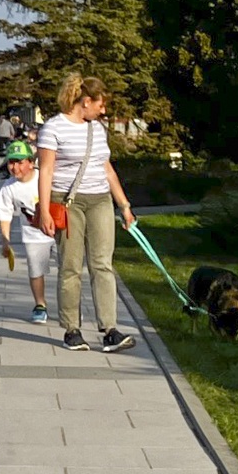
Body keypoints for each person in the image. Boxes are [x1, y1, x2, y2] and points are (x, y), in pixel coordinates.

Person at [37, 74, 139, 353]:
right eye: (100, 105)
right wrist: (45, 211)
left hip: (100, 201)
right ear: (85, 102)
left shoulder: (97, 129)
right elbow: (46, 171)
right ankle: (72, 329)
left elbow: (107, 169)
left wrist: (124, 205)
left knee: (102, 264)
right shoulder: (53, 128)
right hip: (66, 202)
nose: (103, 111)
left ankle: (110, 329)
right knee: (71, 266)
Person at [0, 138, 52, 323]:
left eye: (20, 162)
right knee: (36, 270)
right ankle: (40, 304)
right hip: (33, 234)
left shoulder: (44, 177)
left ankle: (71, 306)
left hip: (57, 231)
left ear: (30, 162)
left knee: (68, 270)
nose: (15, 168)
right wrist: (5, 242)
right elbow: (5, 215)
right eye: (11, 163)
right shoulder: (8, 188)